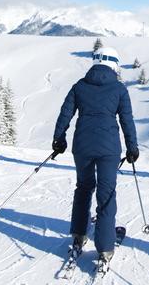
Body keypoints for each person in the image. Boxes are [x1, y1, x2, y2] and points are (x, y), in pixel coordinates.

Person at [53, 47, 139, 266]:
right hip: (109, 149)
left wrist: (59, 139)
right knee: (106, 194)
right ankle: (105, 247)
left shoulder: (79, 86)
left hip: (82, 146)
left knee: (83, 188)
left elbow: (65, 113)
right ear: (114, 65)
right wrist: (132, 148)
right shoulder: (119, 89)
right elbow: (126, 120)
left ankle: (79, 234)